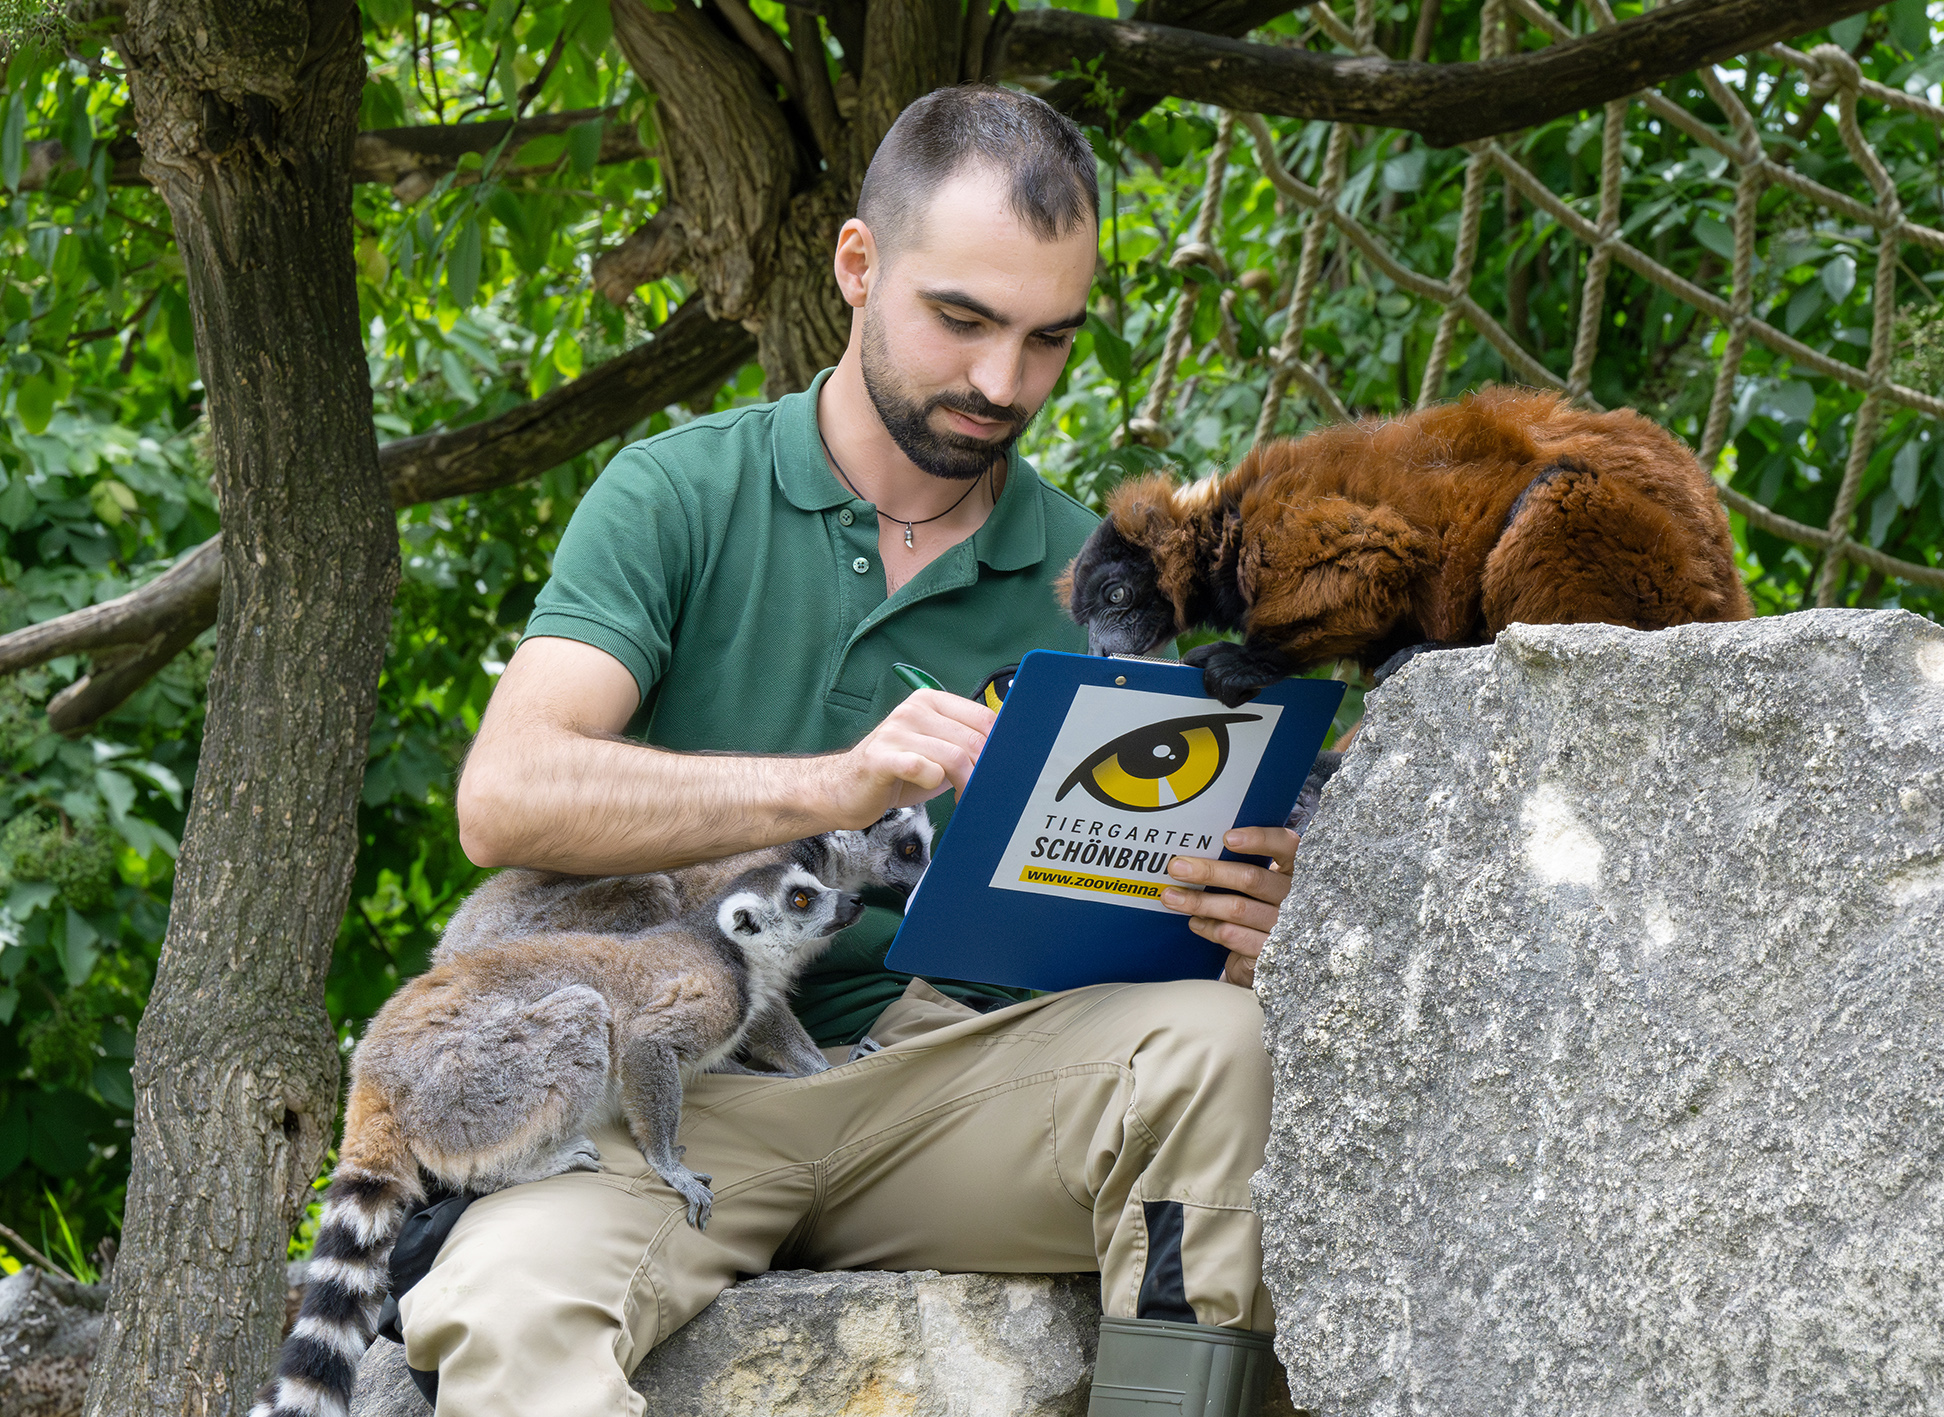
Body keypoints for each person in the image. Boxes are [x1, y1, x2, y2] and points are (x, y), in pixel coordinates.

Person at [418, 84, 1299, 1417]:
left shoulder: (1097, 583)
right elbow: (507, 795)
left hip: (957, 1087)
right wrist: (836, 786)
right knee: (499, 1310)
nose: (1002, 384)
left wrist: (1239, 920)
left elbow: (1127, 909)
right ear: (856, 265)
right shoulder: (679, 493)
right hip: (684, 1081)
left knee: (1218, 1038)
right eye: (963, 320)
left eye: (1048, 340)